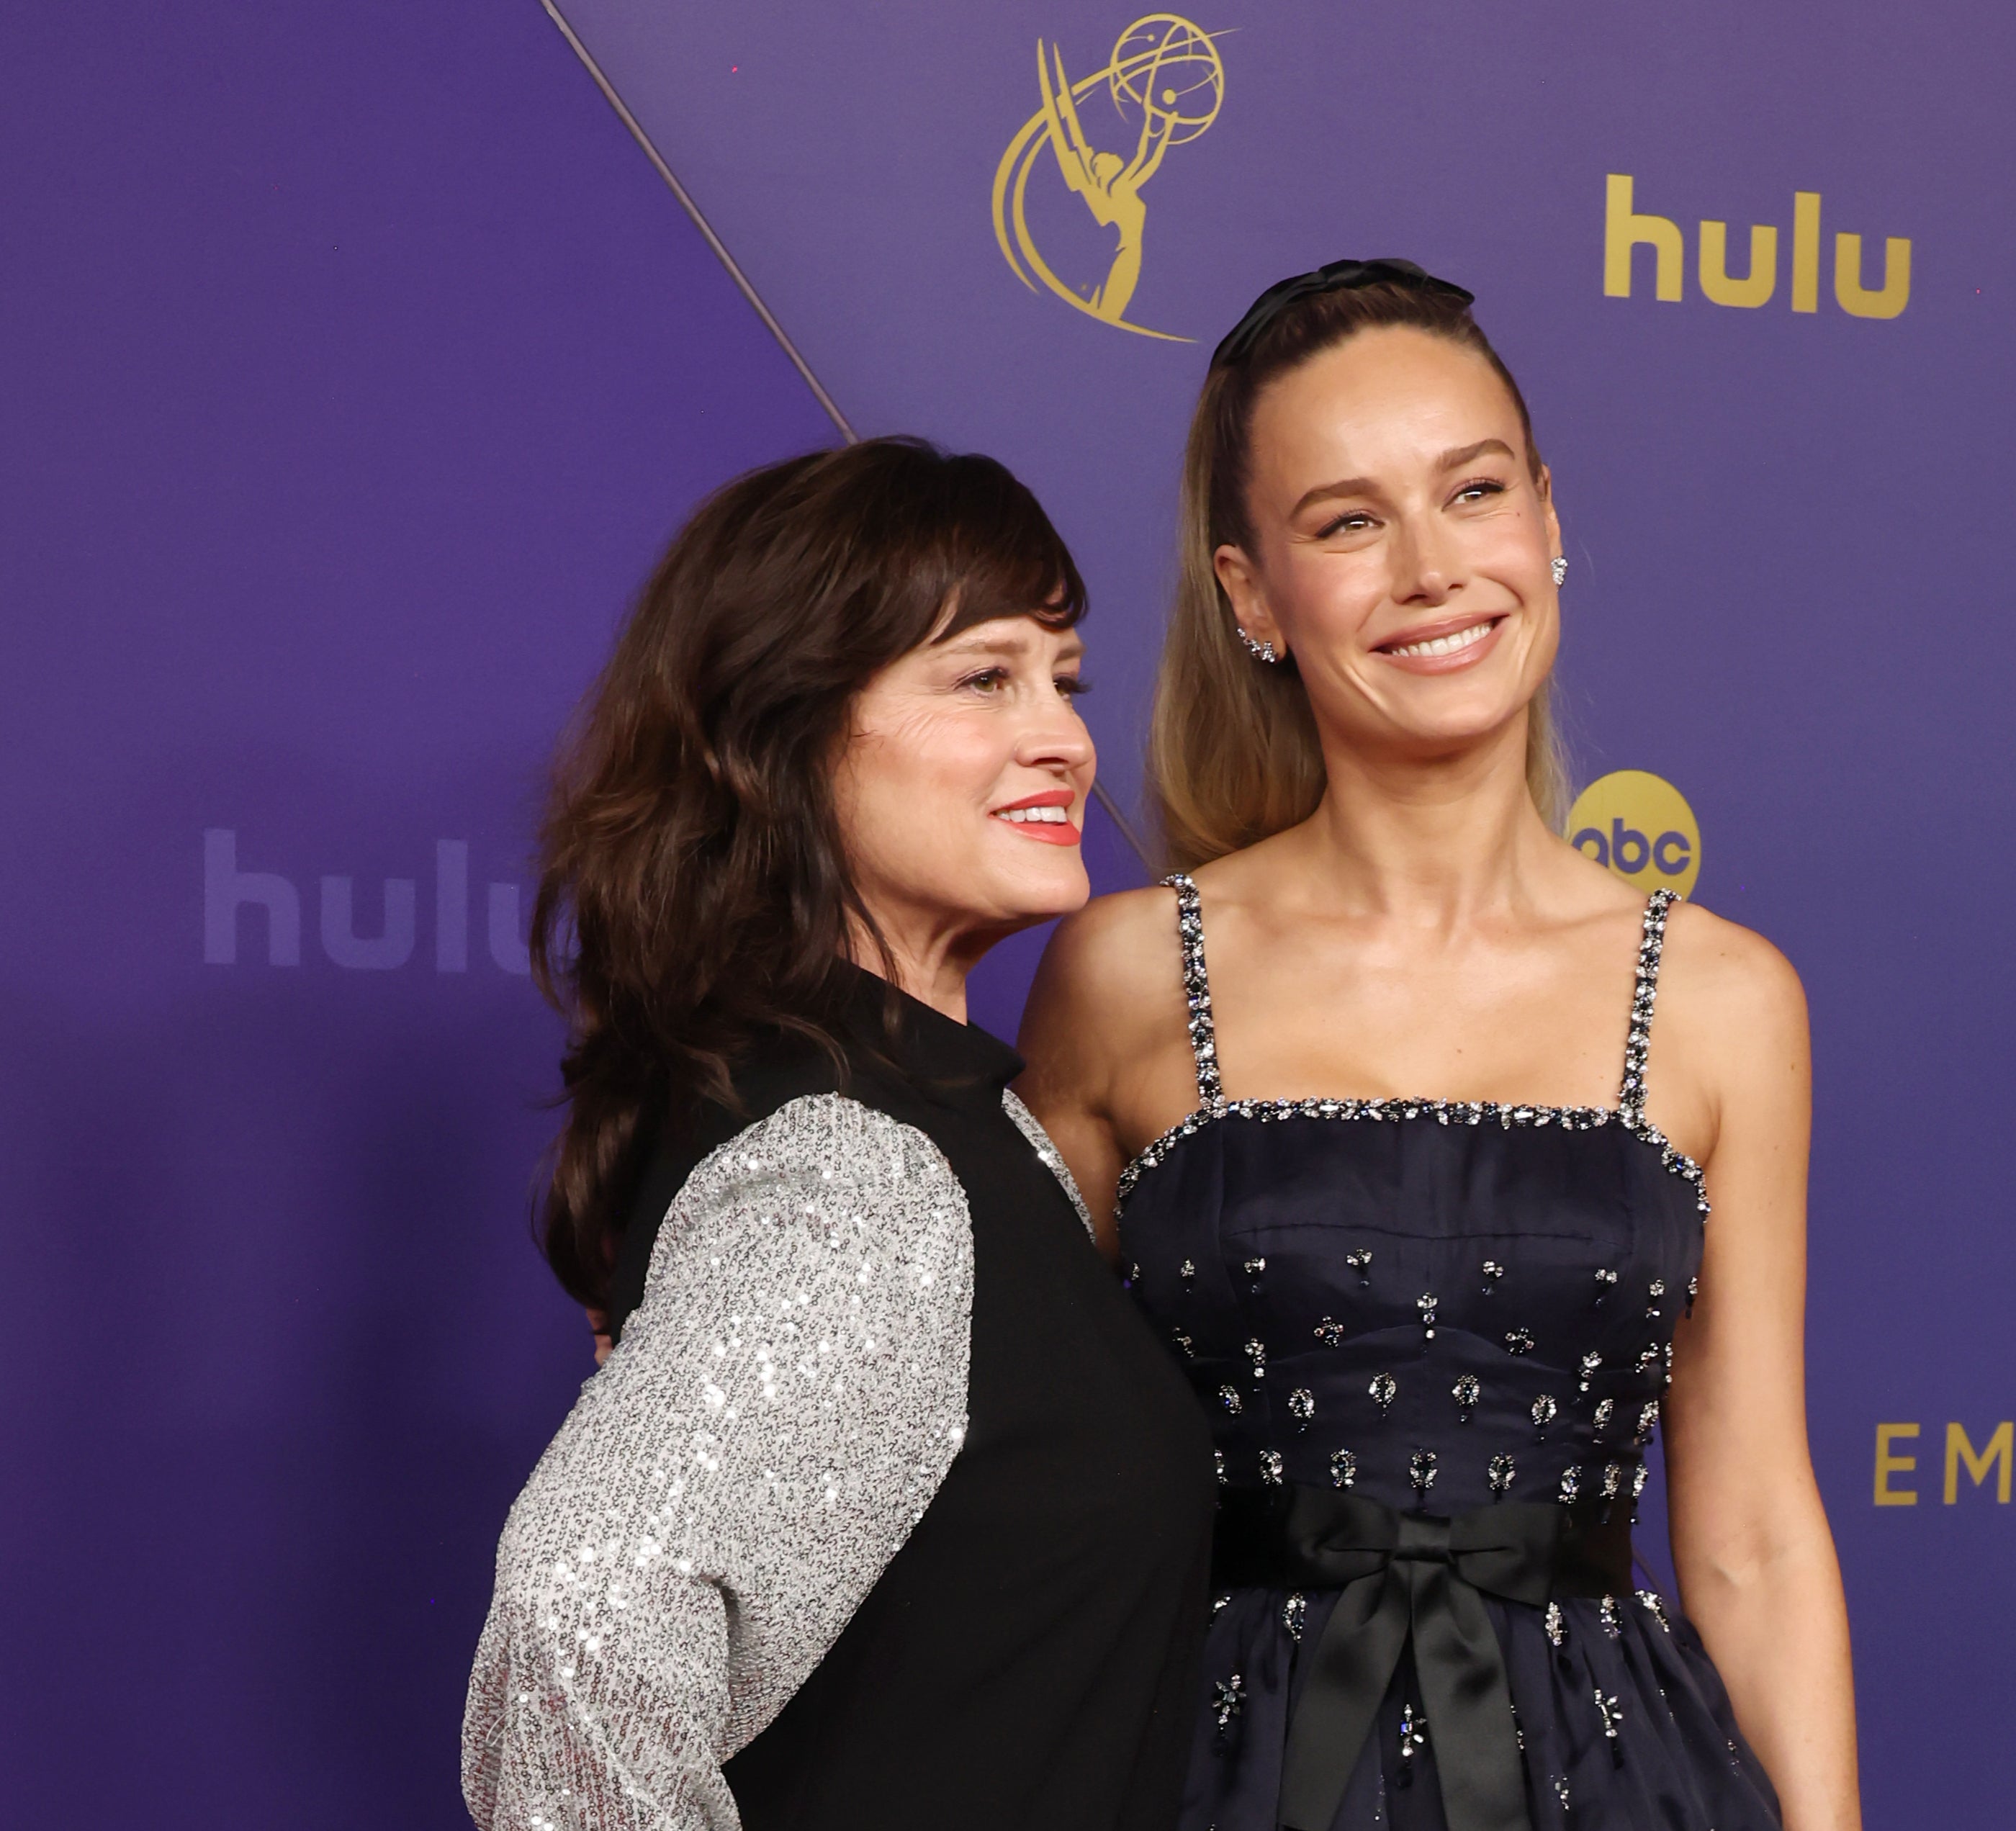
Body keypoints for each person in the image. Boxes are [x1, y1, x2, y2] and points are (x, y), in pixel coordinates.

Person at [1018, 263, 1861, 1831]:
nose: (1428, 569)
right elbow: (1016, 1463)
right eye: (1346, 522)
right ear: (1251, 594)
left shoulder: (1722, 998)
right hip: (1211, 1776)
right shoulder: (1127, 974)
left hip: (1612, 1784)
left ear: (1545, 518)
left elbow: (1747, 1530)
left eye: (1470, 492)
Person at [462, 438, 1213, 1831]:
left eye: (1065, 679)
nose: (1063, 735)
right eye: (984, 677)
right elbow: (578, 1631)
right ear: (785, 732)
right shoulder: (853, 1172)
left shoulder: (933, 1118)